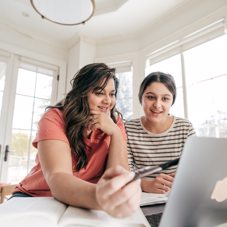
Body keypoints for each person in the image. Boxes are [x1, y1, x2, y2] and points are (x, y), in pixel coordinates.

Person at [12, 63, 141, 218]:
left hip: (82, 201)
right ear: (82, 93)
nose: (108, 101)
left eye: (112, 94)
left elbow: (119, 177)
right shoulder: (54, 118)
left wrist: (115, 133)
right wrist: (100, 197)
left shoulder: (115, 123)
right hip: (37, 197)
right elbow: (58, 177)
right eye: (99, 93)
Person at [125, 71, 195, 194]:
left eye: (165, 99)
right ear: (141, 97)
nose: (157, 105)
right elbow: (125, 173)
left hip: (177, 194)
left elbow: (196, 168)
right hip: (142, 197)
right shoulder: (128, 129)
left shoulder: (185, 128)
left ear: (172, 101)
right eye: (151, 97)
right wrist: (145, 184)